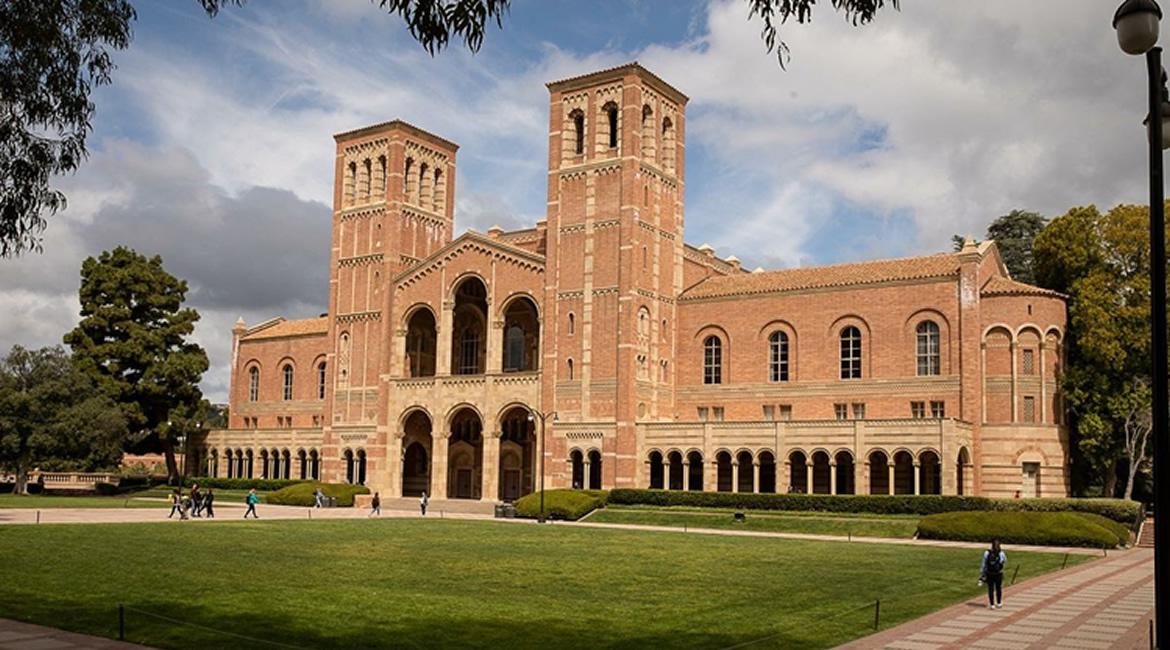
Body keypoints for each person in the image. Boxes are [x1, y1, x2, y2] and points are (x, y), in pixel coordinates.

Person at [980, 538, 1007, 609]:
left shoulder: (987, 553)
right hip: (998, 573)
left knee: (990, 589)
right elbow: (1005, 560)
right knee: (998, 588)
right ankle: (999, 603)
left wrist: (982, 573)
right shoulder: (1001, 553)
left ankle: (992, 604)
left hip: (989, 573)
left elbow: (984, 564)